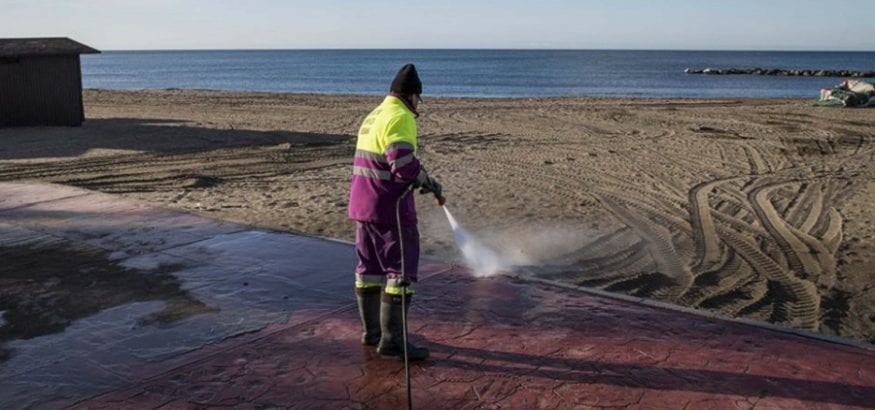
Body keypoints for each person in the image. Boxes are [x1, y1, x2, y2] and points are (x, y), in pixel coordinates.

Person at [348, 64, 441, 361]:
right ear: (412, 96)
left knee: (368, 272)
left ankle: (371, 333)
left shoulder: (375, 114)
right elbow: (401, 165)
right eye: (417, 100)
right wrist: (423, 178)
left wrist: (417, 174)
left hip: (363, 207)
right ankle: (392, 340)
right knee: (398, 273)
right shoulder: (400, 117)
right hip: (391, 210)